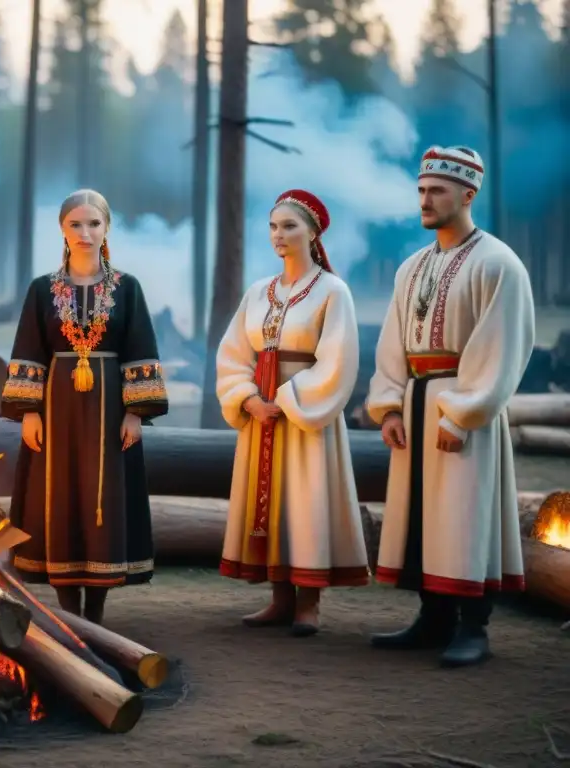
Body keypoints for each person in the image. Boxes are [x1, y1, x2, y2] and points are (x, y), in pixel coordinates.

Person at [366, 145, 535, 667]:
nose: (425, 199)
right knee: (422, 516)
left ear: (468, 193)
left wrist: (463, 413)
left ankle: (472, 627)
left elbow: (502, 348)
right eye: (421, 189)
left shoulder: (498, 264)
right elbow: (393, 343)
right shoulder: (412, 267)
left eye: (437, 190)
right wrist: (389, 406)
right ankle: (432, 618)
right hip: (415, 404)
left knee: (465, 514)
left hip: (464, 410)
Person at [1, 189, 168, 625]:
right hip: (55, 411)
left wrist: (136, 412)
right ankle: (67, 612)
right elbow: (30, 350)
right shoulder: (42, 290)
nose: (85, 232)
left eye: (94, 224)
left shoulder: (128, 289)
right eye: (75, 224)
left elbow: (140, 348)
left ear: (107, 228)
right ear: (62, 229)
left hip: (111, 410)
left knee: (103, 496)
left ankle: (95, 612)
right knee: (56, 495)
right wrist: (29, 411)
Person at [215, 189, 369, 637]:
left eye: (289, 226)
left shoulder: (332, 291)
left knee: (306, 500)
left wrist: (284, 400)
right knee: (273, 504)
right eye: (273, 226)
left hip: (306, 418)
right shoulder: (257, 292)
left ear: (313, 232)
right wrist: (247, 398)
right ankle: (279, 599)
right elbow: (233, 353)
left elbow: (338, 360)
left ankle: (309, 603)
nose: (278, 235)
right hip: (260, 416)